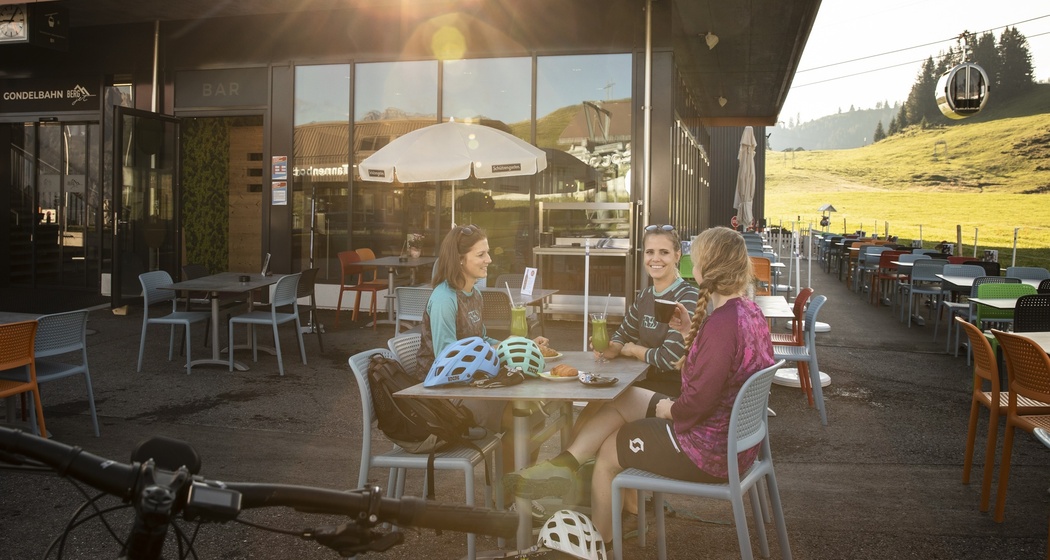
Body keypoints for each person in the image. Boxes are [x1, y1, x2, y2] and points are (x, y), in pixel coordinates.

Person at [503, 226, 775, 546]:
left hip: (707, 449)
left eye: (695, 259)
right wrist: (690, 332)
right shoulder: (749, 312)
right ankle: (564, 466)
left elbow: (696, 403)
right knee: (625, 396)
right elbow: (713, 372)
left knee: (609, 450)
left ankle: (599, 540)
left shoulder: (721, 324)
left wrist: (666, 408)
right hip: (733, 441)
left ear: (705, 268)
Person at [415, 224, 548, 490]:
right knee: (520, 420)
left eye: (487, 253)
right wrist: (496, 359)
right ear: (460, 258)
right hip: (444, 394)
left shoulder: (473, 293)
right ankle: (511, 497)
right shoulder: (444, 298)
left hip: (469, 383)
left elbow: (483, 339)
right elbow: (447, 358)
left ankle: (515, 490)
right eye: (481, 254)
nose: (489, 259)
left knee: (536, 415)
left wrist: (518, 346)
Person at [594, 224, 698, 397]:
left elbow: (669, 359)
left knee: (610, 401)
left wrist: (634, 350)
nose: (655, 259)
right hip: (652, 383)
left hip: (680, 390)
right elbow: (624, 334)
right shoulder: (645, 296)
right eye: (650, 252)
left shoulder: (688, 297)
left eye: (664, 252)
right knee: (598, 402)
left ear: (677, 256)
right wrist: (611, 348)